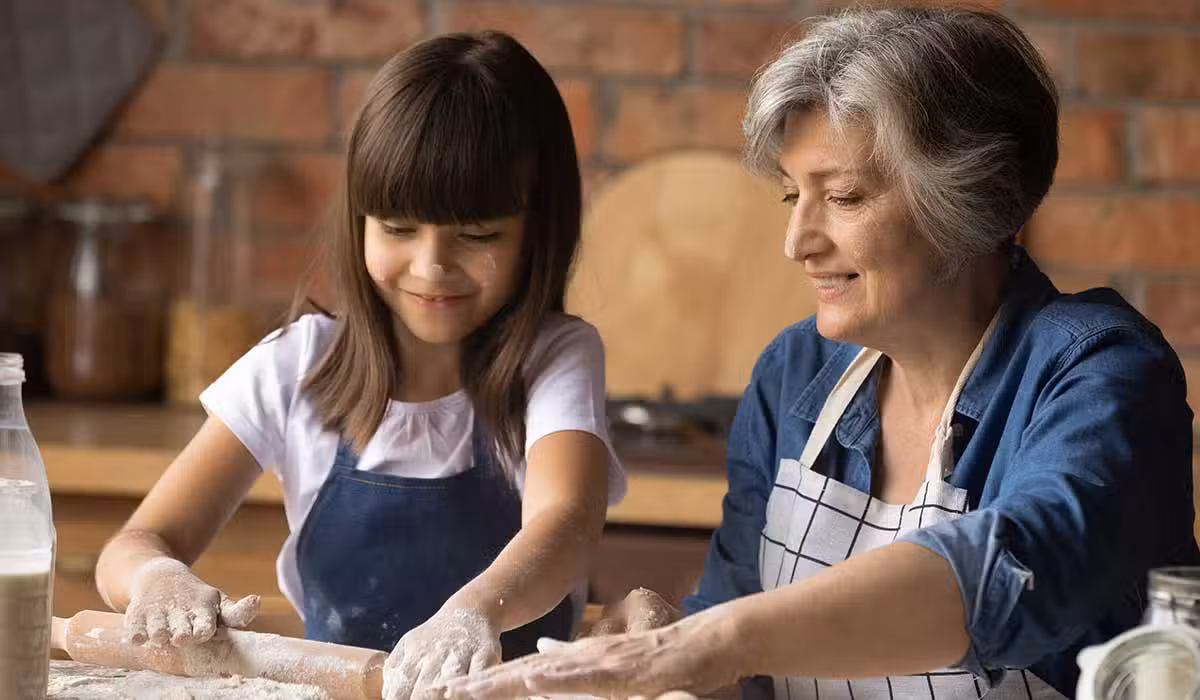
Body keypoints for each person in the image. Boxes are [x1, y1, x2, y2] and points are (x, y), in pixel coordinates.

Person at [433, 8, 1199, 700]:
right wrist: (666, 640)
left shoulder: (1097, 373)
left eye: (843, 198)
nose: (797, 242)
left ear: (967, 199)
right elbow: (741, 656)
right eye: (791, 196)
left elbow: (1010, 573)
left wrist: (707, 643)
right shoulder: (795, 376)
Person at [93, 31, 625, 700]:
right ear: (359, 221)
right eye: (399, 229)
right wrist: (156, 577)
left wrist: (472, 614)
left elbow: (567, 524)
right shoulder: (296, 366)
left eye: (479, 235)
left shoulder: (555, 358)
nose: (432, 266)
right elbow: (137, 542)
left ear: (539, 228)